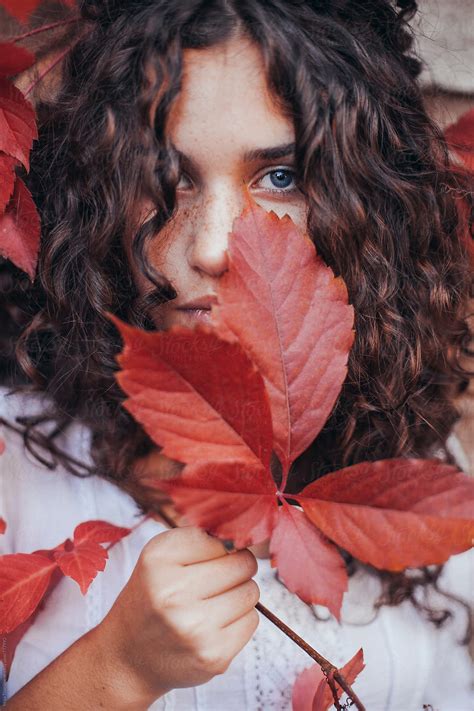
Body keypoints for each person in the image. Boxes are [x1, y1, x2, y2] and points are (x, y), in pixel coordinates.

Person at [0, 1, 473, 709]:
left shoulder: (419, 475)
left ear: (366, 201)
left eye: (280, 176)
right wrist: (117, 668)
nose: (214, 246)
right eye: (169, 176)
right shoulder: (16, 472)